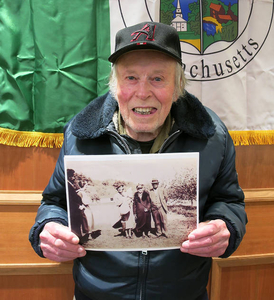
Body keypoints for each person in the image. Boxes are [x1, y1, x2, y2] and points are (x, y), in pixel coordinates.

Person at [29, 21, 247, 300]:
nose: (142, 93)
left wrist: (225, 226)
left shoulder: (212, 136)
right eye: (131, 78)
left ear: (178, 86)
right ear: (115, 86)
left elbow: (229, 200)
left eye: (157, 78)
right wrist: (48, 230)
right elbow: (55, 203)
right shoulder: (79, 134)